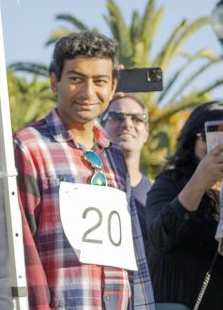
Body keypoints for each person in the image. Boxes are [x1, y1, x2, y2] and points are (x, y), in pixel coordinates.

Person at [14, 31, 154, 310]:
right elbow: (21, 245)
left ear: (113, 87)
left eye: (100, 81)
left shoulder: (114, 155)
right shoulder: (28, 147)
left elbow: (133, 248)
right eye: (76, 79)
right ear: (55, 82)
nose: (89, 93)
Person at [146, 101, 223, 307]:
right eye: (213, 134)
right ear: (194, 140)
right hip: (175, 301)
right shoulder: (170, 182)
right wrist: (199, 181)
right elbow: (160, 237)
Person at [103, 94, 152, 242]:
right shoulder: (87, 186)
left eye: (137, 118)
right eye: (117, 117)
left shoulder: (158, 193)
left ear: (146, 133)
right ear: (100, 128)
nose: (127, 124)